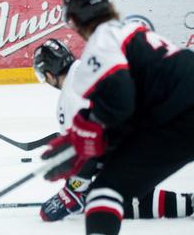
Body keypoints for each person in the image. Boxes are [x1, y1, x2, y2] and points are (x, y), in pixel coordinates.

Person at [41, 0, 194, 235]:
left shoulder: (102, 40)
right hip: (174, 108)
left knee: (107, 188)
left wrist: (83, 139)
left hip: (180, 115)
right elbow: (133, 104)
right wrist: (86, 141)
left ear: (72, 20)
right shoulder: (133, 32)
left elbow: (120, 99)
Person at [34, 38, 194, 222]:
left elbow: (87, 149)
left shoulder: (68, 98)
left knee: (106, 195)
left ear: (49, 74)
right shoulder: (92, 64)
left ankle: (188, 204)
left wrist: (74, 190)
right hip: (174, 108)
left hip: (161, 131)